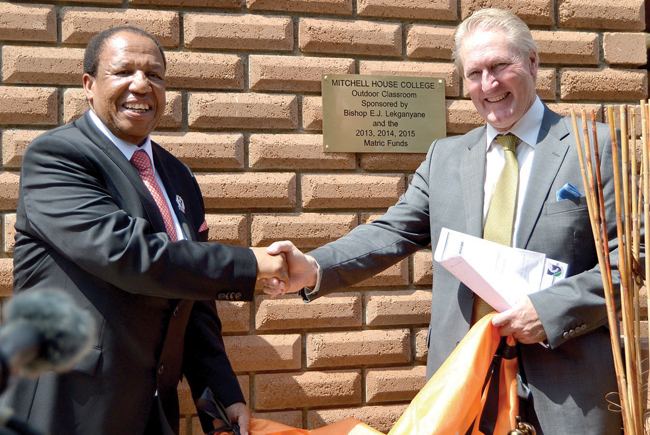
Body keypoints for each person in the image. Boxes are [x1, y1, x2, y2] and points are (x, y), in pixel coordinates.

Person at [267, 8, 620, 434]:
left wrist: (548, 311)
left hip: (567, 390)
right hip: (464, 383)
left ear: (532, 63)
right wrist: (315, 267)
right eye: (474, 73)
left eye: (500, 66)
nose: (488, 85)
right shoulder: (445, 158)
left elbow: (629, 260)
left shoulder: (593, 148)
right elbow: (390, 231)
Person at [8, 26, 287, 435]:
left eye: (154, 75)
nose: (141, 85)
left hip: (153, 411)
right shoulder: (58, 157)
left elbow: (192, 296)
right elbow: (128, 255)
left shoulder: (177, 175)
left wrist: (223, 394)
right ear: (89, 85)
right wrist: (250, 263)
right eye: (123, 72)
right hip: (67, 408)